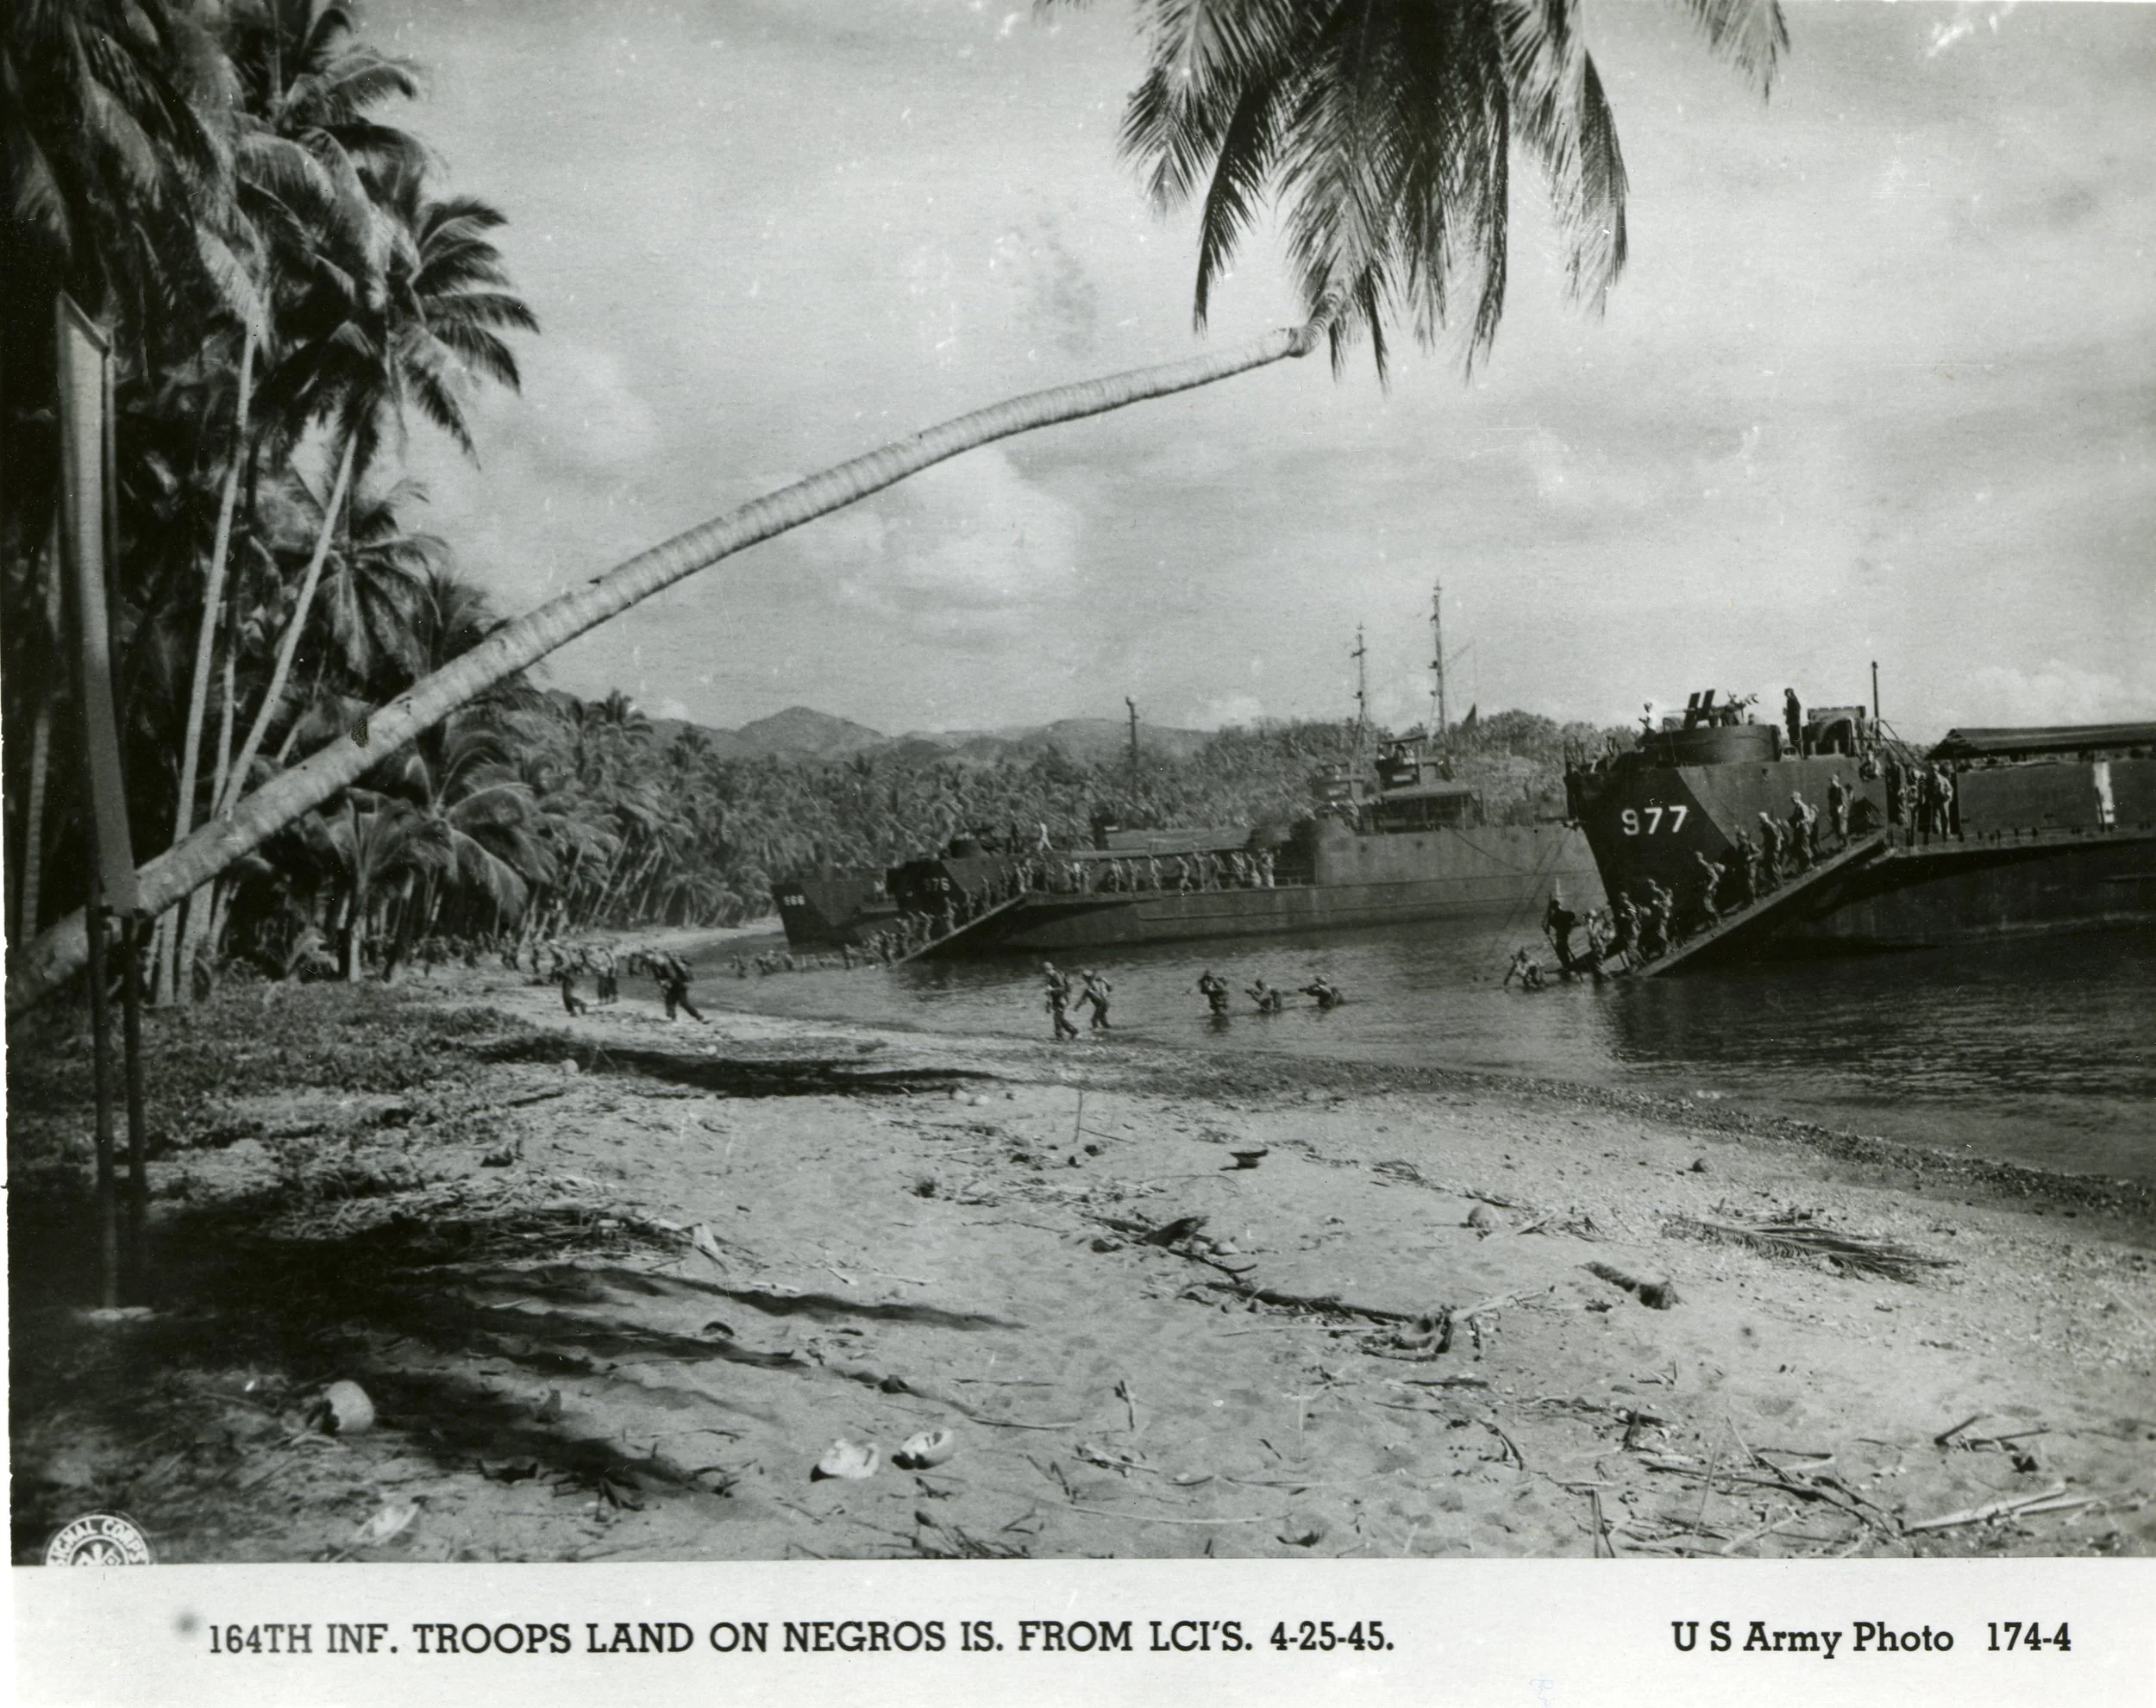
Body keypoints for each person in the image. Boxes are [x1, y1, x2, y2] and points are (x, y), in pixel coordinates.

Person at [1542, 891, 1579, 974]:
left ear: (1553, 908)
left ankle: (1567, 967)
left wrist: (1548, 920)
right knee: (1564, 951)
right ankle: (1567, 966)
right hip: (1564, 935)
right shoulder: (1563, 913)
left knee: (1561, 951)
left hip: (1560, 936)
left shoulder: (1556, 916)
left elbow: (1549, 927)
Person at [1043, 961, 1079, 1041]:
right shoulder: (1050, 978)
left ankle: (1072, 1031)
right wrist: (1048, 1005)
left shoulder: (1057, 975)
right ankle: (1060, 1036)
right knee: (1058, 1019)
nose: (1045, 972)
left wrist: (1052, 989)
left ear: (1049, 969)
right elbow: (1049, 993)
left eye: (1045, 970)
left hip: (1062, 1000)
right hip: (1056, 1000)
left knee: (1058, 1018)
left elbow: (1063, 988)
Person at [1826, 773, 1849, 848]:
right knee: (1835, 828)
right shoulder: (1831, 790)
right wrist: (1831, 810)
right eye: (1831, 781)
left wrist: (1840, 808)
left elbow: (1845, 801)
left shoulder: (1841, 789)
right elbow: (1831, 801)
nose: (1832, 782)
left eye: (1833, 780)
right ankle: (1842, 843)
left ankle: (1846, 844)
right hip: (1835, 811)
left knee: (1842, 829)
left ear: (1836, 781)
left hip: (1842, 811)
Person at [1783, 687, 1803, 754]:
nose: (1786, 695)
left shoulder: (1791, 700)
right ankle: (1799, 754)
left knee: (1795, 739)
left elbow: (1794, 711)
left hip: (1793, 723)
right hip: (1794, 722)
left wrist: (1787, 713)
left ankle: (1798, 754)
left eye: (1787, 693)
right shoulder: (1793, 700)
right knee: (1796, 739)